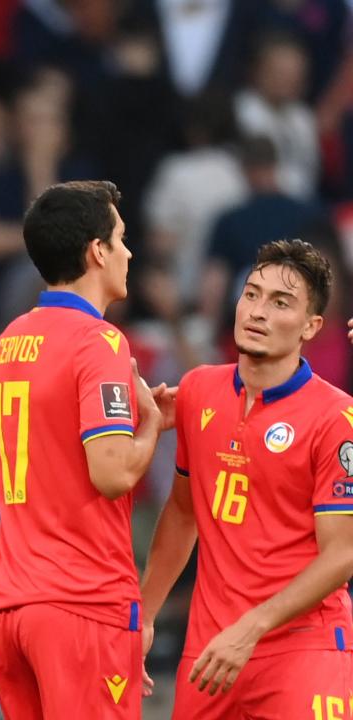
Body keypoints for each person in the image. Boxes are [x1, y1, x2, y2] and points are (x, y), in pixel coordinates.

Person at [140, 238, 353, 719]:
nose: (257, 311)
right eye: (252, 294)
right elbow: (182, 512)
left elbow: (342, 555)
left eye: (281, 303)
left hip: (303, 649)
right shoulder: (198, 390)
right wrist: (145, 614)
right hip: (210, 652)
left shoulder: (336, 418)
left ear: (311, 326)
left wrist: (251, 627)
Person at [0, 180, 170, 719]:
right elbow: (113, 472)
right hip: (81, 599)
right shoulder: (99, 341)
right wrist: (152, 426)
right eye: (121, 239)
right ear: (97, 252)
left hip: (9, 602)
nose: (129, 253)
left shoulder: (9, 340)